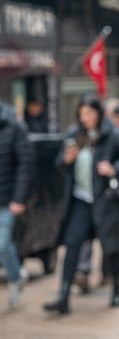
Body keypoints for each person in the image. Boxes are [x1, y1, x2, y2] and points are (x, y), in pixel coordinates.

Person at [43, 96, 119, 315]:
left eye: (90, 113)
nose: (85, 118)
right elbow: (59, 165)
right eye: (82, 114)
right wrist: (66, 160)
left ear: (98, 114)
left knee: (111, 246)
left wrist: (114, 167)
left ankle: (117, 290)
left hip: (106, 200)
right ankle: (63, 296)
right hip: (80, 200)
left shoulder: (113, 136)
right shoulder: (73, 135)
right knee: (72, 244)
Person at [0, 101, 33, 308]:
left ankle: (15, 277)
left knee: (2, 244)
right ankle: (17, 275)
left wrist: (19, 198)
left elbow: (26, 164)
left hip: (7, 199)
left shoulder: (14, 126)